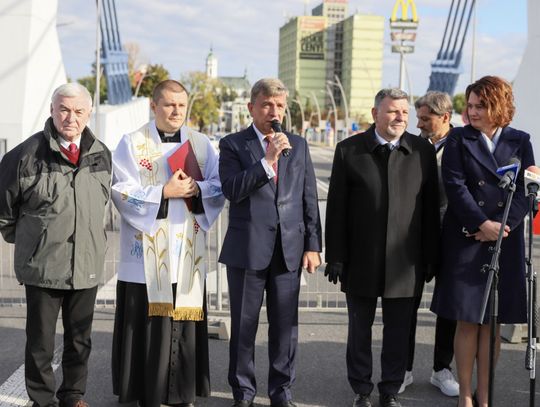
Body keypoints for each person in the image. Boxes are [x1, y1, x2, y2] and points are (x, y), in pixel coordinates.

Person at [110, 79, 224, 407]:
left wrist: (198, 190)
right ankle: (141, 393)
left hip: (188, 252)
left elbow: (218, 186)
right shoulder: (132, 143)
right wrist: (163, 192)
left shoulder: (202, 145)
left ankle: (180, 393)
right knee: (145, 326)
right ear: (154, 106)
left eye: (181, 105)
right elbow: (121, 190)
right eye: (169, 105)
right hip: (144, 260)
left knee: (183, 326)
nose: (176, 111)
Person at [325, 88, 440, 407]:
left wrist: (432, 257)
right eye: (393, 111)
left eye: (404, 112)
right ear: (375, 113)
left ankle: (390, 390)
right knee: (359, 331)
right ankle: (361, 389)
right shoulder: (349, 150)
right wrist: (335, 256)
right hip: (361, 258)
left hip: (406, 262)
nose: (400, 117)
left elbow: (430, 210)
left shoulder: (421, 151)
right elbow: (336, 208)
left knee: (398, 332)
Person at [0, 83, 111, 407]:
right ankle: (42, 400)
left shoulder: (100, 154)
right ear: (52, 109)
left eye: (78, 111)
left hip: (86, 265)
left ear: (89, 113)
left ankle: (73, 395)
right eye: (64, 109)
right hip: (43, 267)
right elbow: (4, 211)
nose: (70, 117)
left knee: (80, 340)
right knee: (41, 343)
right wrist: (30, 244)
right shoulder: (25, 154)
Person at [430, 76, 534, 407]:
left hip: (505, 239)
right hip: (466, 238)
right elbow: (455, 186)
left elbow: (527, 189)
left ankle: (485, 394)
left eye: (480, 105)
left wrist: (501, 226)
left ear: (499, 106)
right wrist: (481, 223)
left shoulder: (521, 140)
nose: (472, 112)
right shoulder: (459, 140)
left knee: (492, 321)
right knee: (467, 319)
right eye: (470, 105)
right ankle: (465, 395)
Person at [218, 78, 322, 407]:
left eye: (279, 105)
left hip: (289, 249)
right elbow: (232, 189)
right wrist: (268, 161)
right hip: (248, 249)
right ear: (251, 108)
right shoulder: (233, 144)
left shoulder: (299, 144)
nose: (273, 111)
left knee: (285, 328)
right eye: (266, 104)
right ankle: (244, 393)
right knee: (244, 326)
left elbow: (308, 198)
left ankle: (281, 392)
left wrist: (313, 244)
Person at [398, 91, 459, 397]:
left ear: (445, 117)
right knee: (407, 304)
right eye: (418, 118)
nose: (418, 124)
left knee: (448, 307)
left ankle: (441, 369)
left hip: (452, 238)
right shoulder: (412, 145)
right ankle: (404, 369)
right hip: (416, 238)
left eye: (426, 119)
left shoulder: (462, 145)